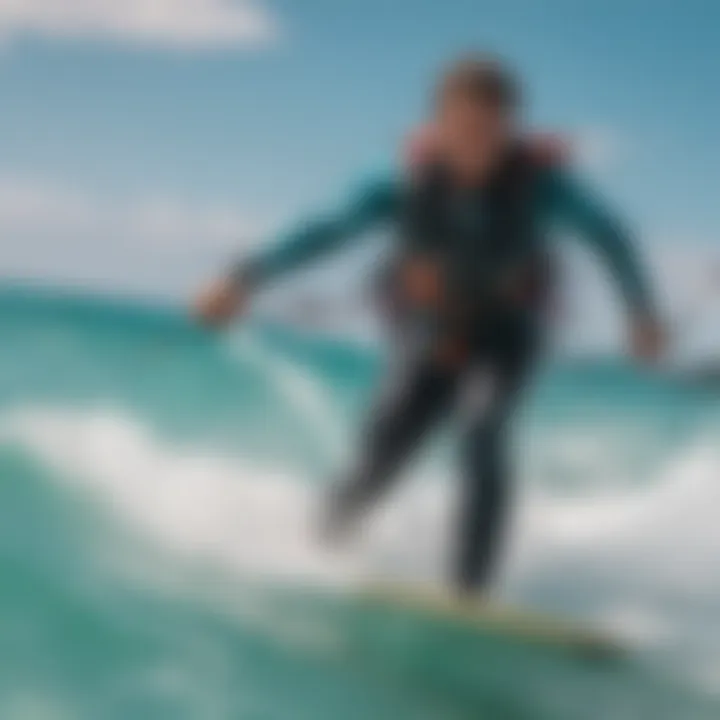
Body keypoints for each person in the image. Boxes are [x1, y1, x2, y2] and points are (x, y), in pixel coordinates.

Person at [194, 55, 664, 595]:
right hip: (427, 320)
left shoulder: (542, 183)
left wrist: (641, 312)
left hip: (510, 325)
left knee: (482, 428)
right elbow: (324, 230)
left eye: (491, 131)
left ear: (510, 127)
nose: (476, 145)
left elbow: (611, 237)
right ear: (438, 124)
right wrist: (241, 279)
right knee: (389, 435)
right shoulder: (397, 179)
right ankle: (321, 544)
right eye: (463, 129)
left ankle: (470, 593)